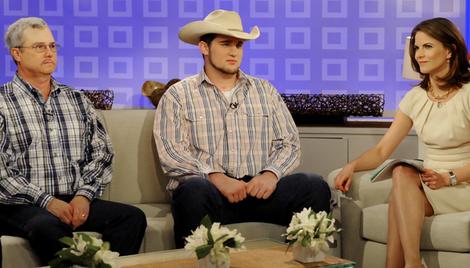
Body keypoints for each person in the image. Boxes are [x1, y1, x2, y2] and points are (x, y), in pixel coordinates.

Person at [153, 9, 331, 248]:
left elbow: (289, 143)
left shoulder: (264, 90)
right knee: (193, 190)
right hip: (211, 193)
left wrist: (271, 174)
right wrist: (217, 178)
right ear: (204, 48)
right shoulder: (178, 95)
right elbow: (172, 153)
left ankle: (308, 260)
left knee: (313, 185)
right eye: (226, 43)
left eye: (239, 45)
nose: (234, 51)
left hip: (260, 193)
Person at [0, 17, 147, 264]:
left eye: (52, 46)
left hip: (74, 196)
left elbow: (102, 153)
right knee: (47, 226)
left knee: (132, 218)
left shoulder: (77, 99)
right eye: (39, 47)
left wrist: (84, 195)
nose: (49, 53)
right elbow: (2, 173)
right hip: (21, 204)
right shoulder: (3, 103)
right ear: (17, 54)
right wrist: (47, 202)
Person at [334, 17, 470, 268]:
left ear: (449, 50)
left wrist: (449, 177)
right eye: (416, 48)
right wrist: (352, 166)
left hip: (462, 184)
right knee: (402, 173)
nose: (419, 54)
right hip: (432, 184)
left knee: (399, 203)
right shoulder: (415, 97)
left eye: (427, 46)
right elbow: (382, 150)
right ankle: (412, 263)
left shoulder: (467, 94)